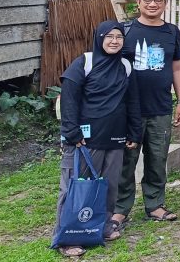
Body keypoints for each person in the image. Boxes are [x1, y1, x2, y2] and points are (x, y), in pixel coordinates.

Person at [54, 21, 142, 257]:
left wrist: (134, 132)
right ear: (99, 38)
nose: (115, 41)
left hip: (115, 137)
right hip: (84, 139)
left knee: (108, 186)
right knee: (76, 186)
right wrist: (72, 132)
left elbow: (132, 100)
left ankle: (100, 227)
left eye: (119, 37)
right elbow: (69, 98)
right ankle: (68, 236)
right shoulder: (85, 62)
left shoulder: (125, 65)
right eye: (109, 36)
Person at [112, 0, 180, 228]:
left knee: (157, 159)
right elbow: (111, 67)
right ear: (139, 1)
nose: (152, 3)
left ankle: (154, 205)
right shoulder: (126, 30)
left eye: (158, 0)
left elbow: (177, 66)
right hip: (129, 109)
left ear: (165, 3)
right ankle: (120, 208)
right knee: (126, 160)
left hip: (161, 107)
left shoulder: (171, 32)